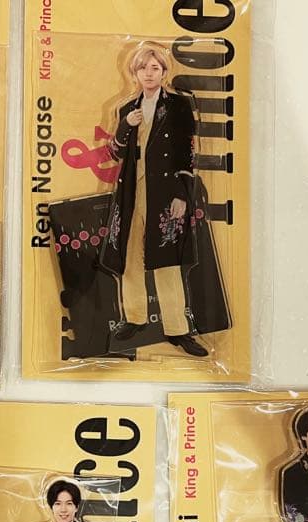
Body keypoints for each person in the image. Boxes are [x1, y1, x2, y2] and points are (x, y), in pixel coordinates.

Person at [99, 41, 209, 358]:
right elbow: (115, 153)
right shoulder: (126, 110)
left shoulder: (178, 106)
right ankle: (134, 318)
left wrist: (182, 194)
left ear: (164, 72)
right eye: (143, 68)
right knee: (130, 257)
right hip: (131, 192)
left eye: (155, 67)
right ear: (134, 72)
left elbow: (187, 153)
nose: (149, 73)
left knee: (167, 261)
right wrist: (125, 126)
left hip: (164, 193)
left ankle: (178, 329)